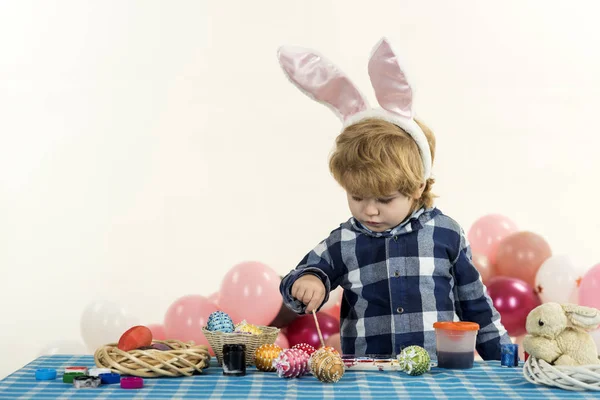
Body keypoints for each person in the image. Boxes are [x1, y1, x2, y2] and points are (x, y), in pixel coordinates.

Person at [277, 38, 510, 360]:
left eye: (385, 199)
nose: (369, 210)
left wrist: (505, 362)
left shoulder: (446, 233)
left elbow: (475, 304)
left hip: (437, 374)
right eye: (357, 196)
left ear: (417, 187)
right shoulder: (344, 240)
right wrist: (306, 282)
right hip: (368, 374)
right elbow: (301, 278)